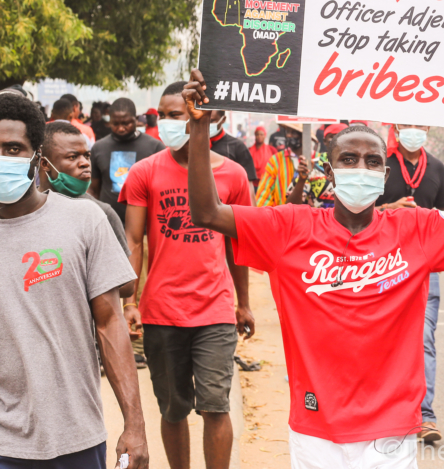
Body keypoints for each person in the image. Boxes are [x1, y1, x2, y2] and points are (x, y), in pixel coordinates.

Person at [181, 68, 444, 469]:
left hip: (391, 427)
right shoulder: (289, 226)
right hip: (315, 426)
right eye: (349, 159)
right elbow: (206, 212)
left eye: (372, 161)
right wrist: (200, 128)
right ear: (329, 173)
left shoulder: (417, 227)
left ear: (385, 174)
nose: (360, 167)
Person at [0, 92, 148, 469]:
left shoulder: (85, 221)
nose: (3, 158)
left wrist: (135, 425)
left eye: (13, 148)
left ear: (37, 158)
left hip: (76, 435)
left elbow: (110, 322)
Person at [119, 81, 254, 469]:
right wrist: (130, 300)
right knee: (173, 409)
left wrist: (242, 303)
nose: (167, 122)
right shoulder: (144, 173)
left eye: (175, 114)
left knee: (215, 407)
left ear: (203, 118)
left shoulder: (233, 176)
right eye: (162, 115)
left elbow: (238, 246)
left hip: (214, 311)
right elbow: (134, 239)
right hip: (162, 312)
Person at [376, 124, 444, 444]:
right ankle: (383, 411)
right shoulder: (379, 165)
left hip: (424, 265)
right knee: (381, 340)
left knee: (423, 339)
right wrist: (388, 210)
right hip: (380, 265)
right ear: (395, 126)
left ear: (428, 127)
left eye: (419, 124)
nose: (414, 129)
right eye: (407, 123)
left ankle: (425, 415)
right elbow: (359, 212)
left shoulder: (436, 167)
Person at [39, 122, 132, 280]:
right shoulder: (23, 209)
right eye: (73, 157)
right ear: (45, 164)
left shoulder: (102, 213)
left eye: (87, 156)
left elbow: (127, 283)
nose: (85, 163)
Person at [89, 97, 165, 225]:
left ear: (135, 119)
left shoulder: (155, 147)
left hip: (145, 226)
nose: (120, 128)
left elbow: (162, 190)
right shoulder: (99, 148)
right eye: (115, 124)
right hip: (108, 225)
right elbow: (93, 189)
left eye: (126, 123)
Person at [255, 122, 305, 207]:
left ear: (303, 136)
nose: (289, 135)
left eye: (294, 133)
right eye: (288, 132)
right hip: (281, 217)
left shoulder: (317, 160)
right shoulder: (276, 160)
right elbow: (264, 197)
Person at [208, 110, 258, 187]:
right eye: (203, 120)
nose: (207, 124)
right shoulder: (191, 145)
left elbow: (248, 186)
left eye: (211, 121)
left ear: (223, 119)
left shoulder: (238, 147)